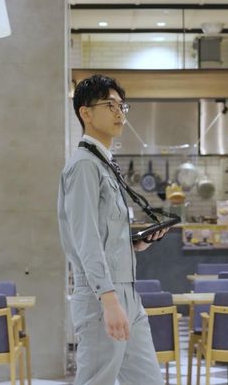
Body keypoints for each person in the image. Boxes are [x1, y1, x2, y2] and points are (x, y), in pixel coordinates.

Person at [58, 74, 167, 384]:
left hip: (126, 291)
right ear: (86, 113)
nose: (119, 112)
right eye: (110, 105)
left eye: (122, 105)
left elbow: (103, 233)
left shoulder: (103, 163)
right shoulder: (84, 165)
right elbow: (85, 239)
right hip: (102, 294)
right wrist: (108, 300)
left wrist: (132, 244)